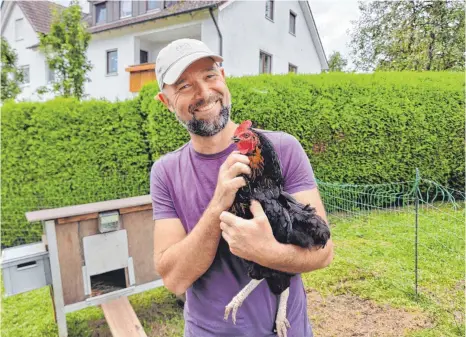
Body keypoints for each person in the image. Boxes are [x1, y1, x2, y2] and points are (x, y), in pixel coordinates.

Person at [150, 38, 333, 337]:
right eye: (184, 85)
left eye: (210, 75)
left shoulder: (283, 148)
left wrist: (268, 252)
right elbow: (174, 280)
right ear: (166, 101)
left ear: (222, 77)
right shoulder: (166, 172)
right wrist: (218, 204)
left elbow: (323, 253)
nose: (204, 92)